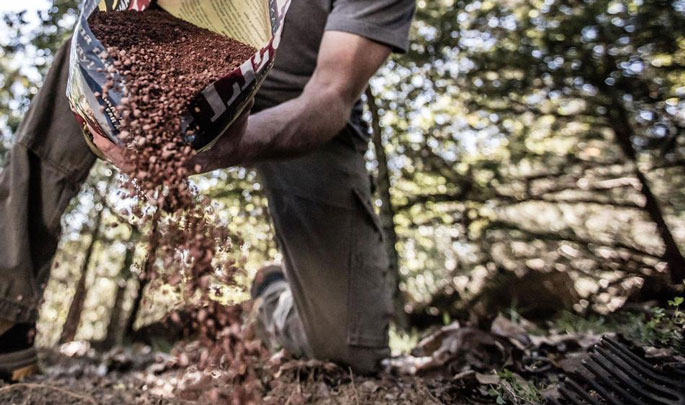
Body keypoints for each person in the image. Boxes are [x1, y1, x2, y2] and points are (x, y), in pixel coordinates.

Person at [0, 0, 415, 380]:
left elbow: (332, 94)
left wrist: (226, 150)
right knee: (92, 51)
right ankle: (7, 304)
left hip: (301, 98)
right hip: (179, 46)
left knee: (347, 348)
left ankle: (271, 299)